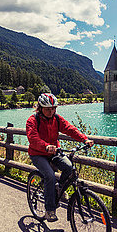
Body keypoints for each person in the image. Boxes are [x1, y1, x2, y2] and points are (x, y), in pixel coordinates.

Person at [26, 93, 94, 222]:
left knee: (69, 167)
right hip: (38, 154)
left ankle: (59, 189)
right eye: (48, 109)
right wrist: (46, 146)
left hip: (54, 152)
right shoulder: (32, 120)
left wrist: (84, 139)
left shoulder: (56, 119)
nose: (51, 112)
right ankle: (50, 210)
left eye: (53, 108)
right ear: (40, 108)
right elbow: (32, 138)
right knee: (50, 175)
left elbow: (70, 129)